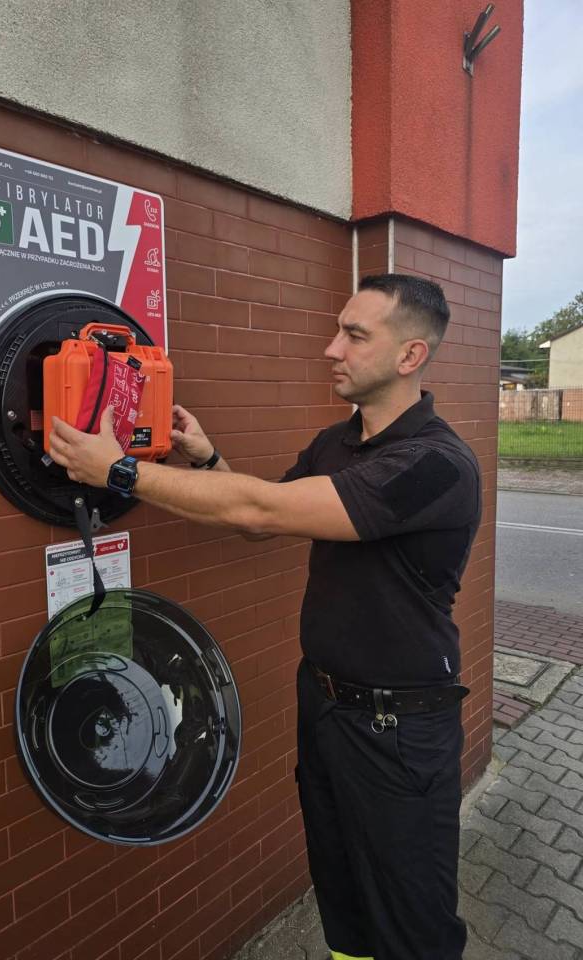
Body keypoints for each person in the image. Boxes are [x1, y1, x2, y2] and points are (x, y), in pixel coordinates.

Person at [48, 273, 481, 960]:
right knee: (342, 898)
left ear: (410, 356)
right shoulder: (336, 444)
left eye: (355, 335)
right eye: (337, 330)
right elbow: (258, 521)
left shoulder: (436, 465)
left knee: (412, 923)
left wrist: (119, 472)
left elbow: (262, 508)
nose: (331, 348)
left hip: (399, 729)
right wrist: (208, 458)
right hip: (326, 708)